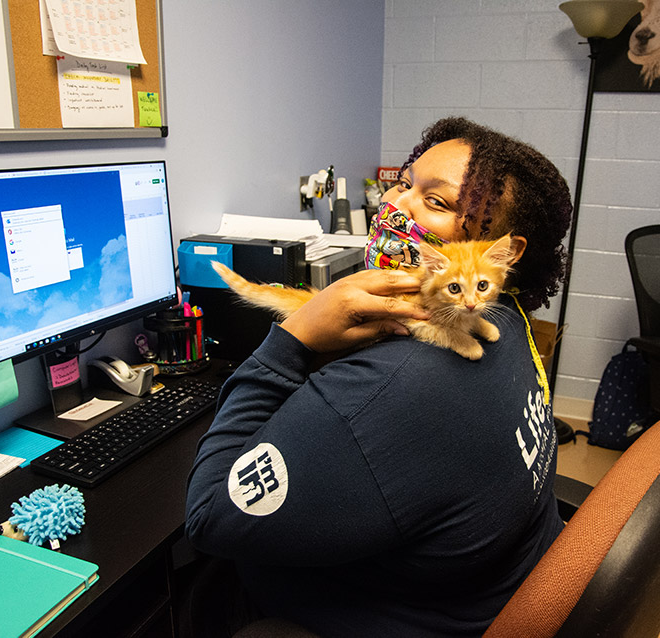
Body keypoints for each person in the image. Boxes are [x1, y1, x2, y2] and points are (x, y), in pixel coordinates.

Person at [184, 116, 573, 637]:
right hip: (485, 588)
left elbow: (208, 516)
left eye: (435, 202)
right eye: (405, 184)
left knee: (188, 587)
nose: (396, 206)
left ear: (497, 251)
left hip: (390, 614)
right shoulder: (510, 327)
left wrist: (292, 339)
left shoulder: (391, 389)